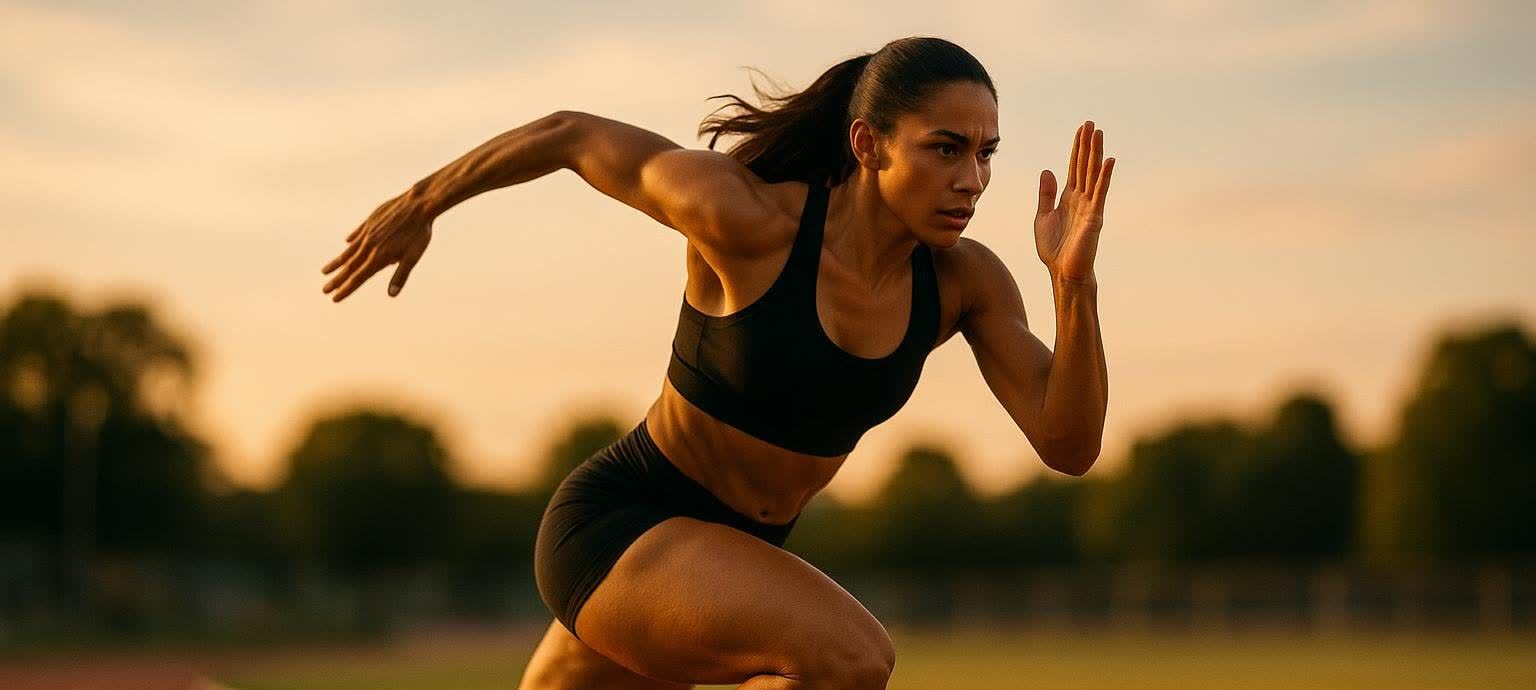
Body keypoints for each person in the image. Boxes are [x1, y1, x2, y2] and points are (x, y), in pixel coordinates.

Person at [320, 36, 1111, 690]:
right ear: (868, 143)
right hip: (623, 529)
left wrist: (1073, 287)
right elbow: (570, 134)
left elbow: (1067, 445)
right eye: (945, 149)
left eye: (985, 154)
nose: (971, 180)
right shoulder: (747, 218)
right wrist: (422, 201)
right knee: (849, 658)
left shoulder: (963, 283)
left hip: (718, 569)